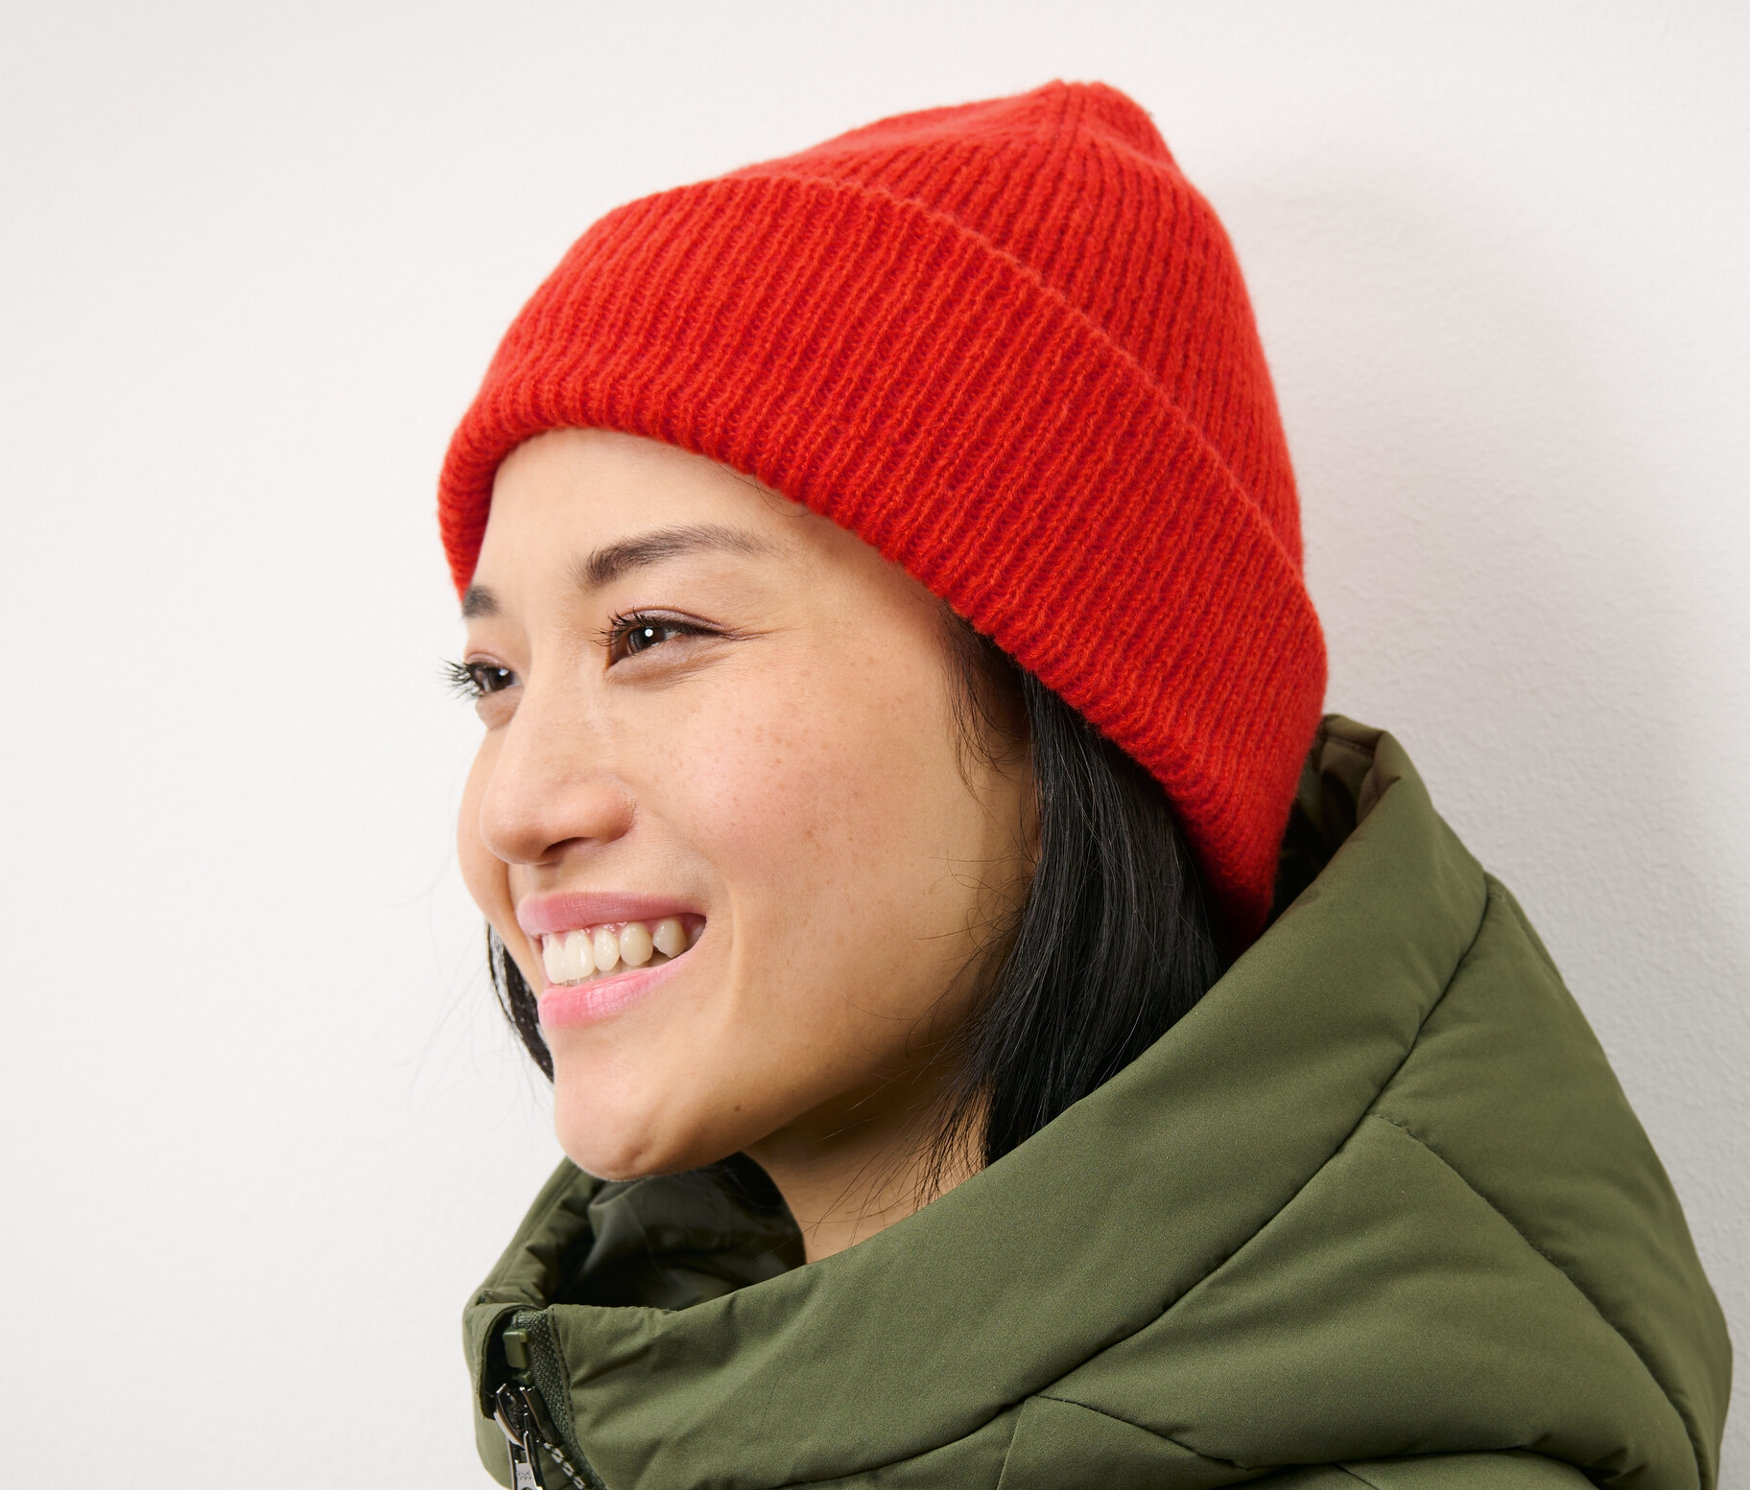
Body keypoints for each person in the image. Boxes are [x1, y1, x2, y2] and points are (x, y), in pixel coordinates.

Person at [437, 82, 1730, 1490]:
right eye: (492, 680)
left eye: (654, 634)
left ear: (1074, 706)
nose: (515, 809)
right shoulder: (686, 1380)